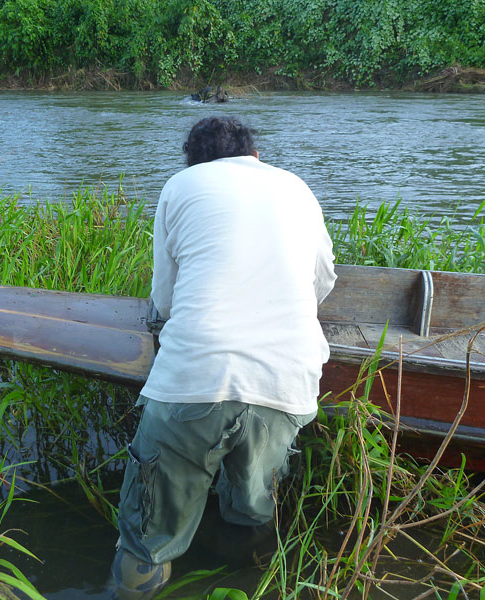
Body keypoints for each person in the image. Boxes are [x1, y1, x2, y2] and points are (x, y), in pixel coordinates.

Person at [109, 116, 336, 599]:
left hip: (193, 382)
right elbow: (322, 284)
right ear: (254, 155)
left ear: (196, 162)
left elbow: (164, 303)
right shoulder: (297, 187)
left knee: (146, 541)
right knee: (253, 511)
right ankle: (247, 571)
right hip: (286, 387)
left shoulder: (181, 185)